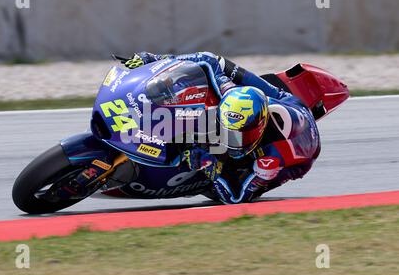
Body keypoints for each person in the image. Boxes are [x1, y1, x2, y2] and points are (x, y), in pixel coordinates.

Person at [120, 51, 321, 204]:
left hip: (294, 155)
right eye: (226, 131)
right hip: (285, 101)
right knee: (220, 66)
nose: (227, 140)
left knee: (225, 181)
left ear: (256, 131)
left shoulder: (273, 156)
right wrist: (153, 59)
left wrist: (212, 166)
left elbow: (236, 197)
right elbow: (207, 59)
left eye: (236, 136)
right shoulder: (229, 92)